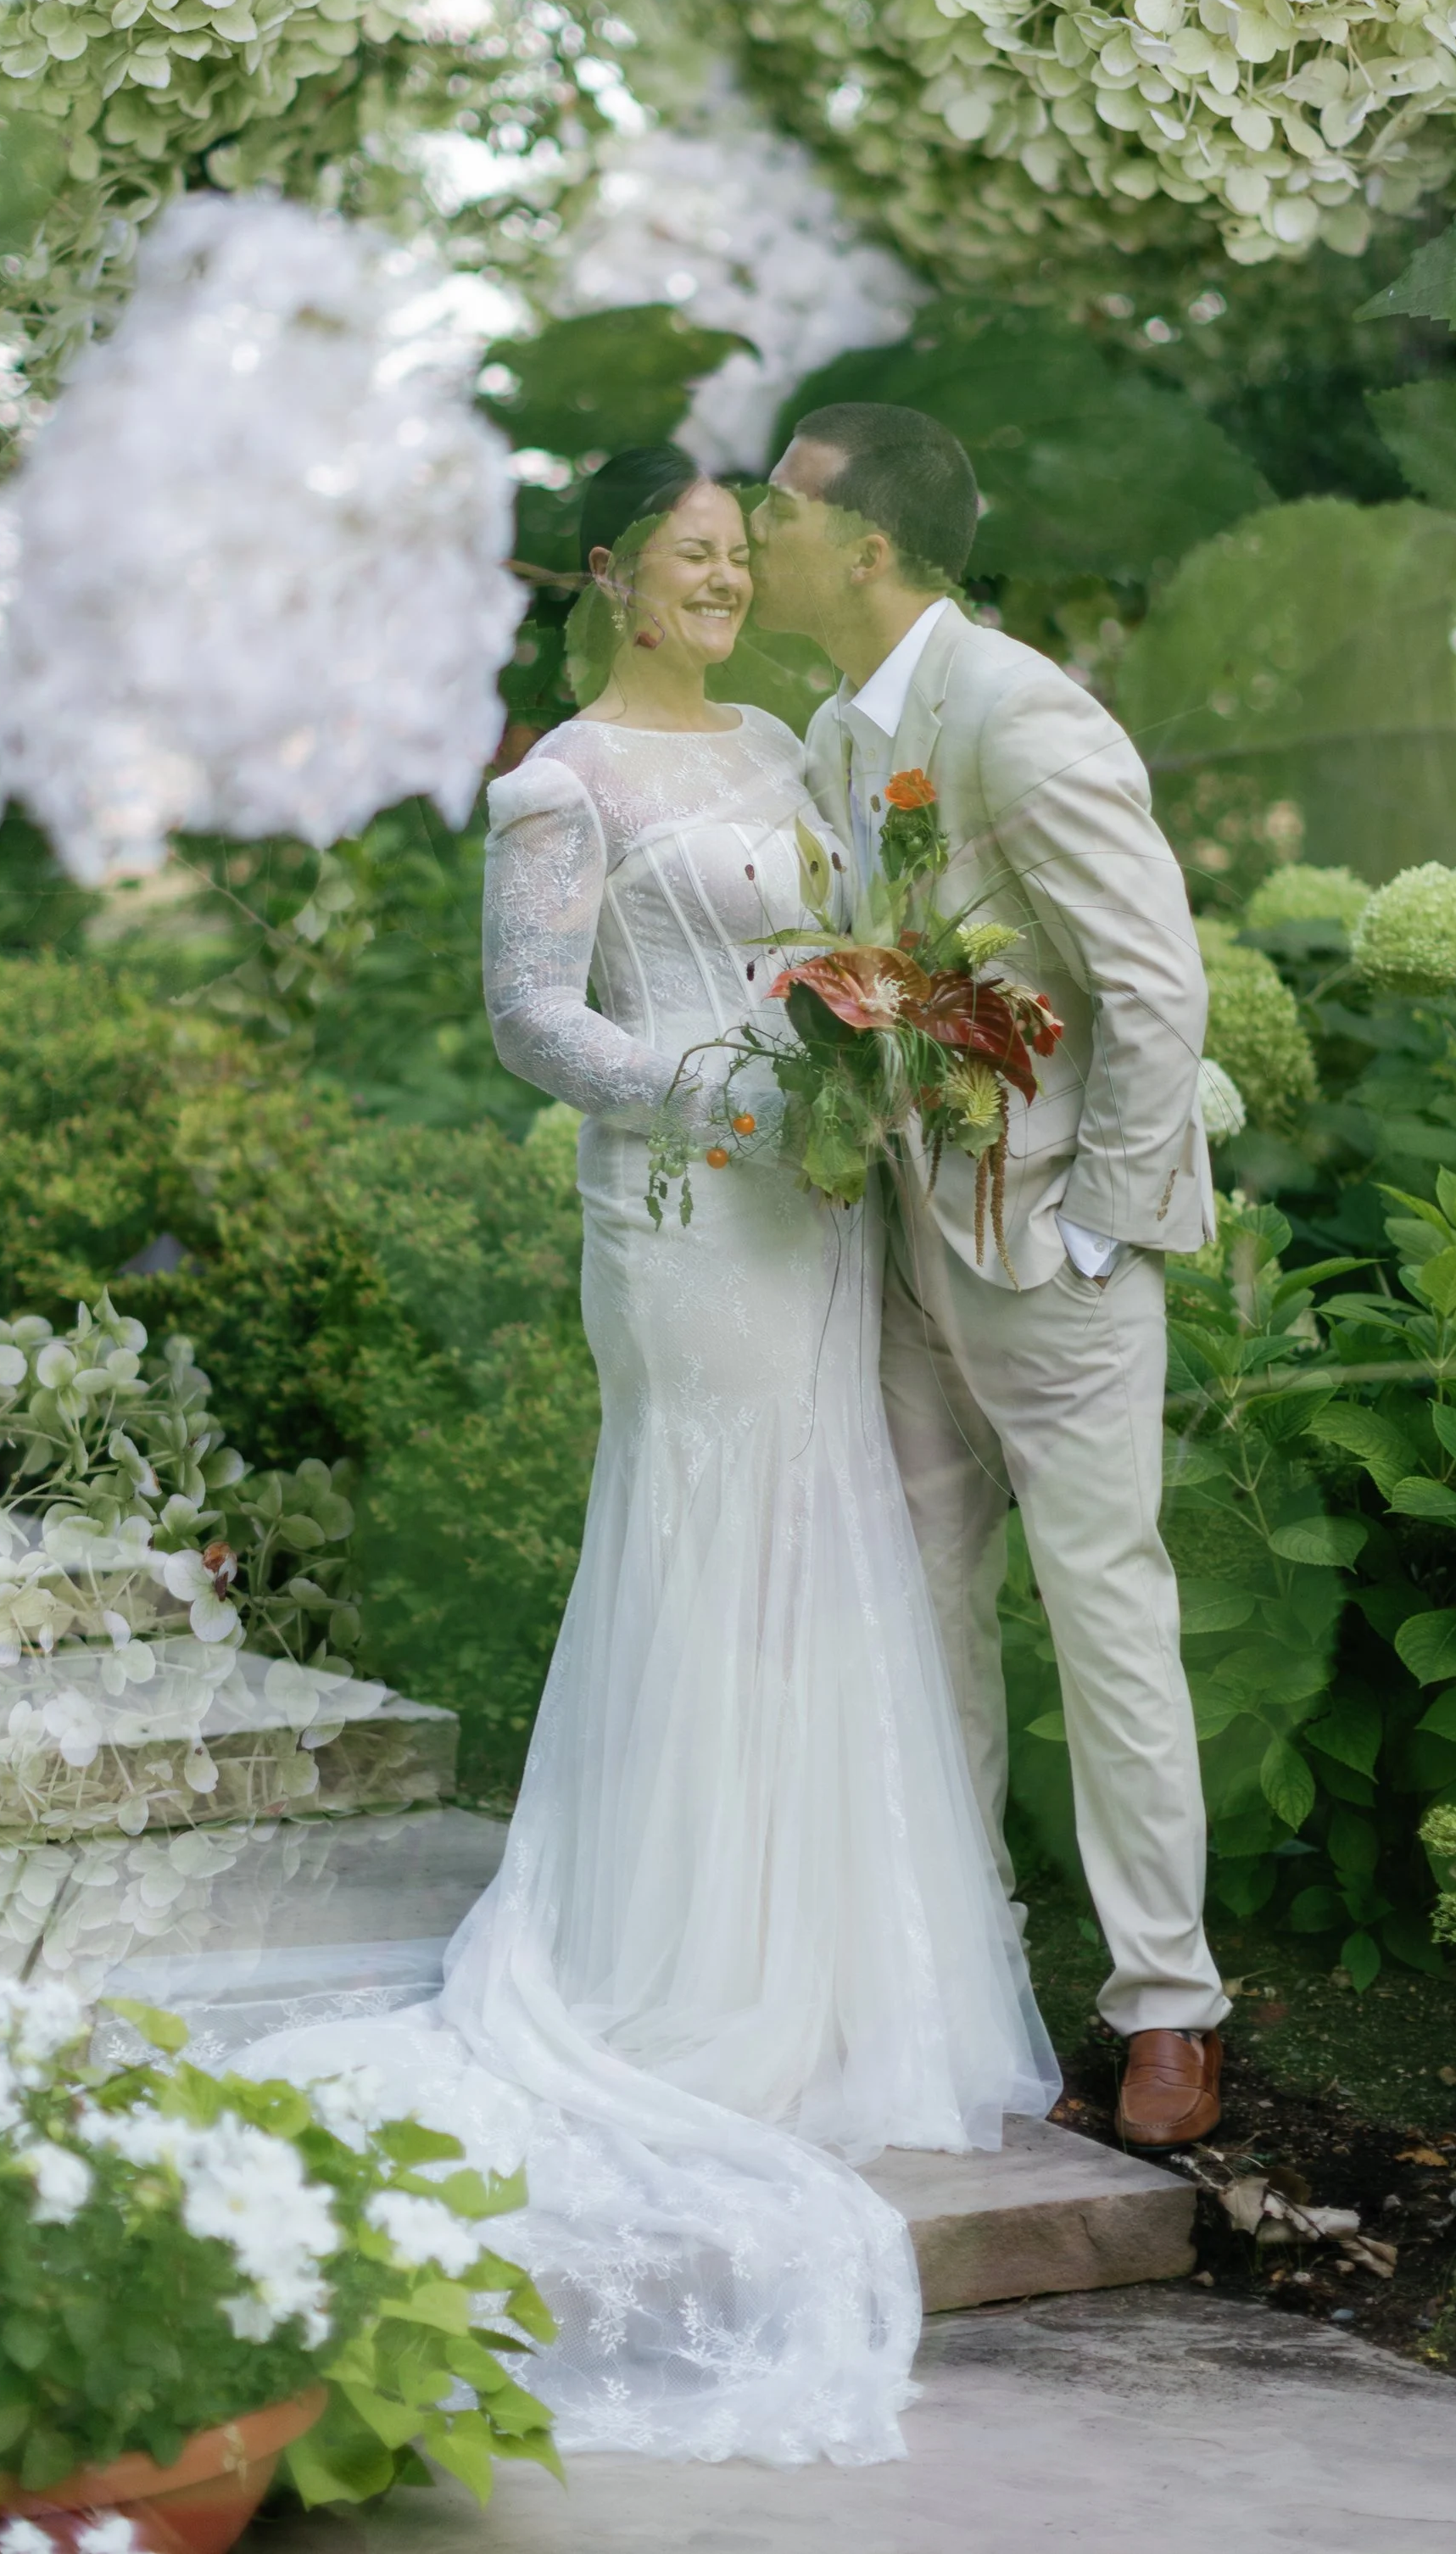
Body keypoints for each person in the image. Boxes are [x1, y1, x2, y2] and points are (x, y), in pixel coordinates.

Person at [231, 443, 1057, 2467]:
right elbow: (529, 1015)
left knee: (830, 1533)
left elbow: (861, 933)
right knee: (707, 1532)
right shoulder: (557, 780)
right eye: (683, 555)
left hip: (821, 1195)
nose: (713, 578)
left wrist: (873, 1052)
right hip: (681, 1215)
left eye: (727, 555)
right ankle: (671, 1959)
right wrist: (717, 1089)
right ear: (610, 572)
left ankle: (830, 1962)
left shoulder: (789, 735)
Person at [751, 400, 1230, 2150]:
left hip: (1052, 1249)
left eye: (781, 514)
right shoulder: (826, 732)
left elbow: (1154, 986)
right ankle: (966, 1973)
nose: (755, 538)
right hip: (897, 1246)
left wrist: (1098, 1224)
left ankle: (1166, 2004)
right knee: (920, 1611)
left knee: (1105, 1609)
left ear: (863, 545)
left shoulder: (1021, 717)